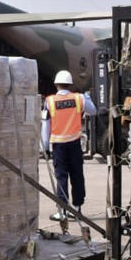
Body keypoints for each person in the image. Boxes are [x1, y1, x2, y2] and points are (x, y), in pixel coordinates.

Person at [42, 70, 97, 221]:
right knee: (77, 175)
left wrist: (45, 147)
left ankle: (61, 211)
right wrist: (86, 96)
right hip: (74, 144)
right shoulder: (79, 98)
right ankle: (77, 209)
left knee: (61, 177)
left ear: (55, 84)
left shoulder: (49, 101)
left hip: (58, 146)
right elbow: (93, 111)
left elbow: (45, 126)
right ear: (70, 84)